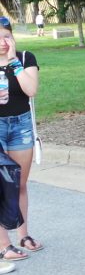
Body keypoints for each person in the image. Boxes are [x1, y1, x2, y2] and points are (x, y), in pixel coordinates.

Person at [0, 16, 42, 261]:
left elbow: (31, 90)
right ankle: (4, 245)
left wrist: (13, 62)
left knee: (19, 184)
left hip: (21, 126)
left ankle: (23, 236)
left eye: (6, 36)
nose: (2, 42)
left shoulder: (26, 58)